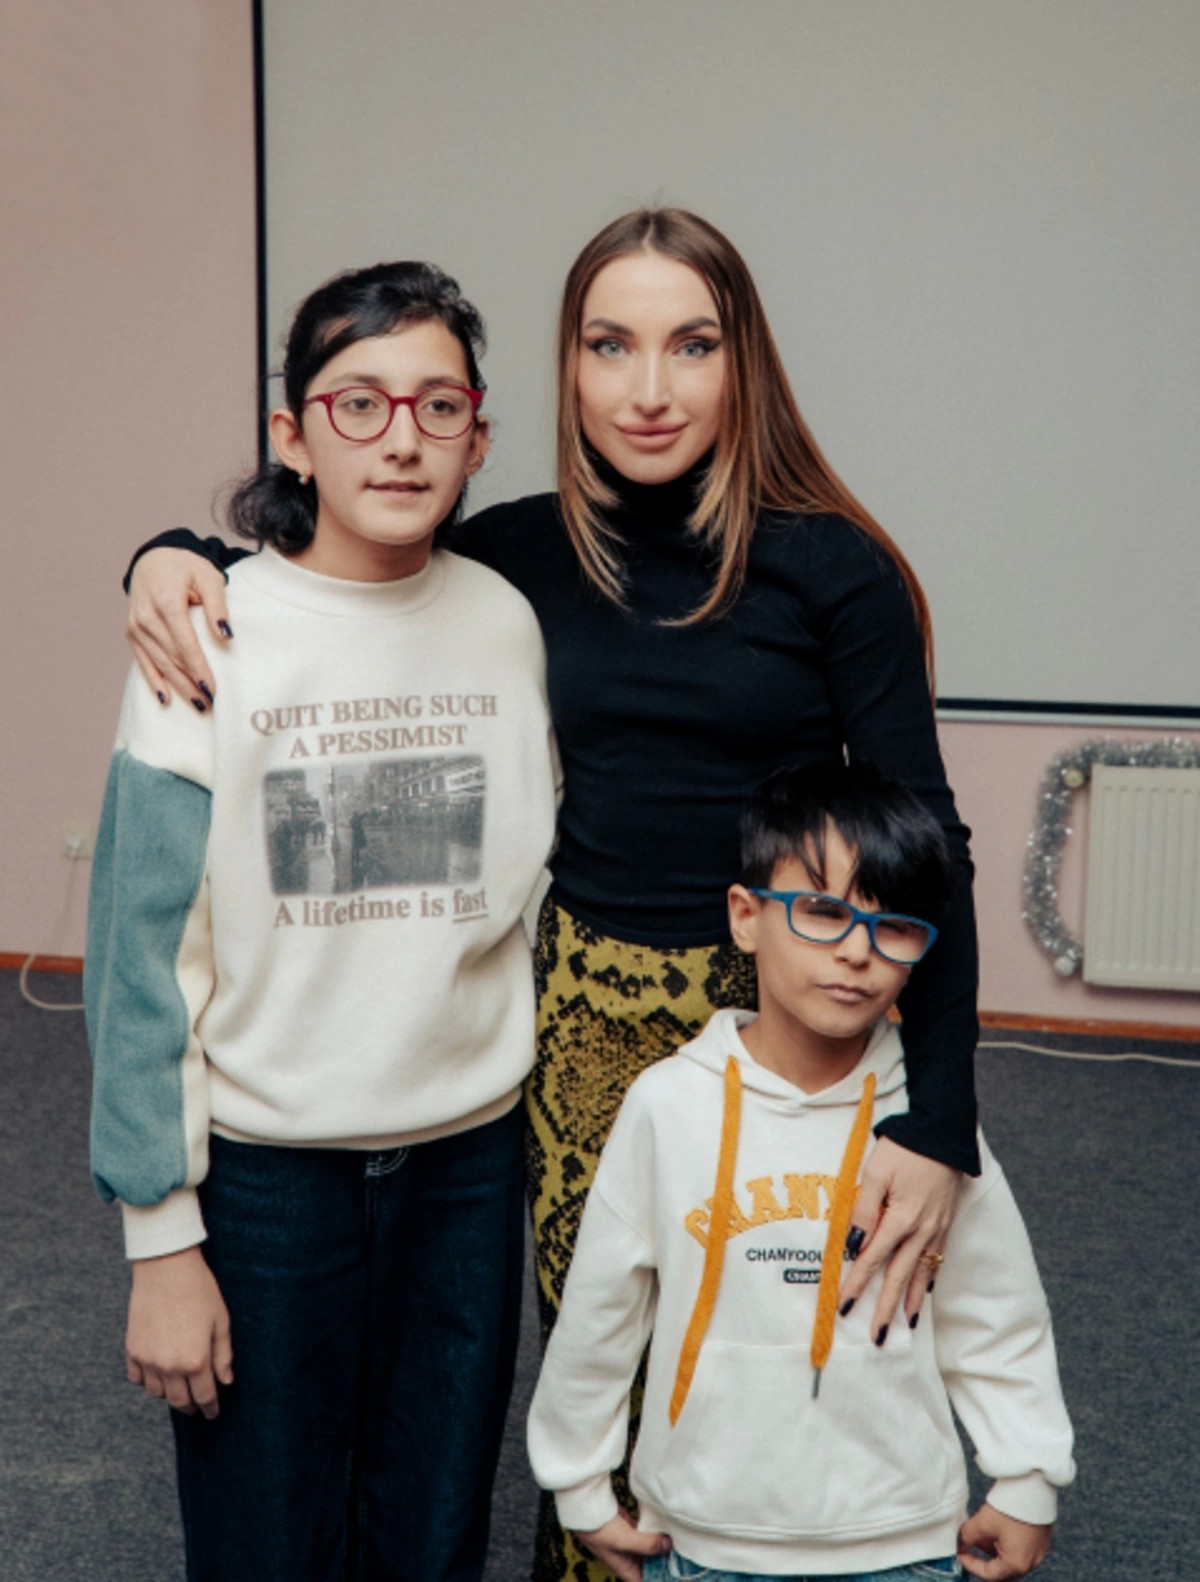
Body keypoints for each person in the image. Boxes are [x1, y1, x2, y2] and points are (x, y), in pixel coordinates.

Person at [118, 209, 981, 1582]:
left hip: (783, 1020)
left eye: (692, 345)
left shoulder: (830, 569)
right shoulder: (517, 558)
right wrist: (166, 553)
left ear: (742, 364)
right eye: (610, 344)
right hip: (576, 1030)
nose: (650, 388)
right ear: (567, 369)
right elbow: (334, 556)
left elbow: (930, 846)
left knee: (784, 1357)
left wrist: (941, 1123)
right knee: (597, 1375)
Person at [84, 261, 559, 1582]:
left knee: (432, 1536)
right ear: (293, 436)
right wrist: (160, 1240)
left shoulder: (506, 624)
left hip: (468, 1171)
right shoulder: (207, 630)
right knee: (267, 1542)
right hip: (266, 1184)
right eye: (359, 402)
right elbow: (138, 964)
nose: (401, 438)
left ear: (476, 437)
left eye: (438, 405)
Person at [528, 762, 1075, 1582]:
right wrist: (577, 1480)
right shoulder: (668, 1106)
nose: (857, 952)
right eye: (823, 912)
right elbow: (601, 1311)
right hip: (703, 1539)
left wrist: (1029, 1476)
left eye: (894, 926)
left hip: (902, 1542)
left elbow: (998, 1311)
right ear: (746, 917)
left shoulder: (927, 1129)